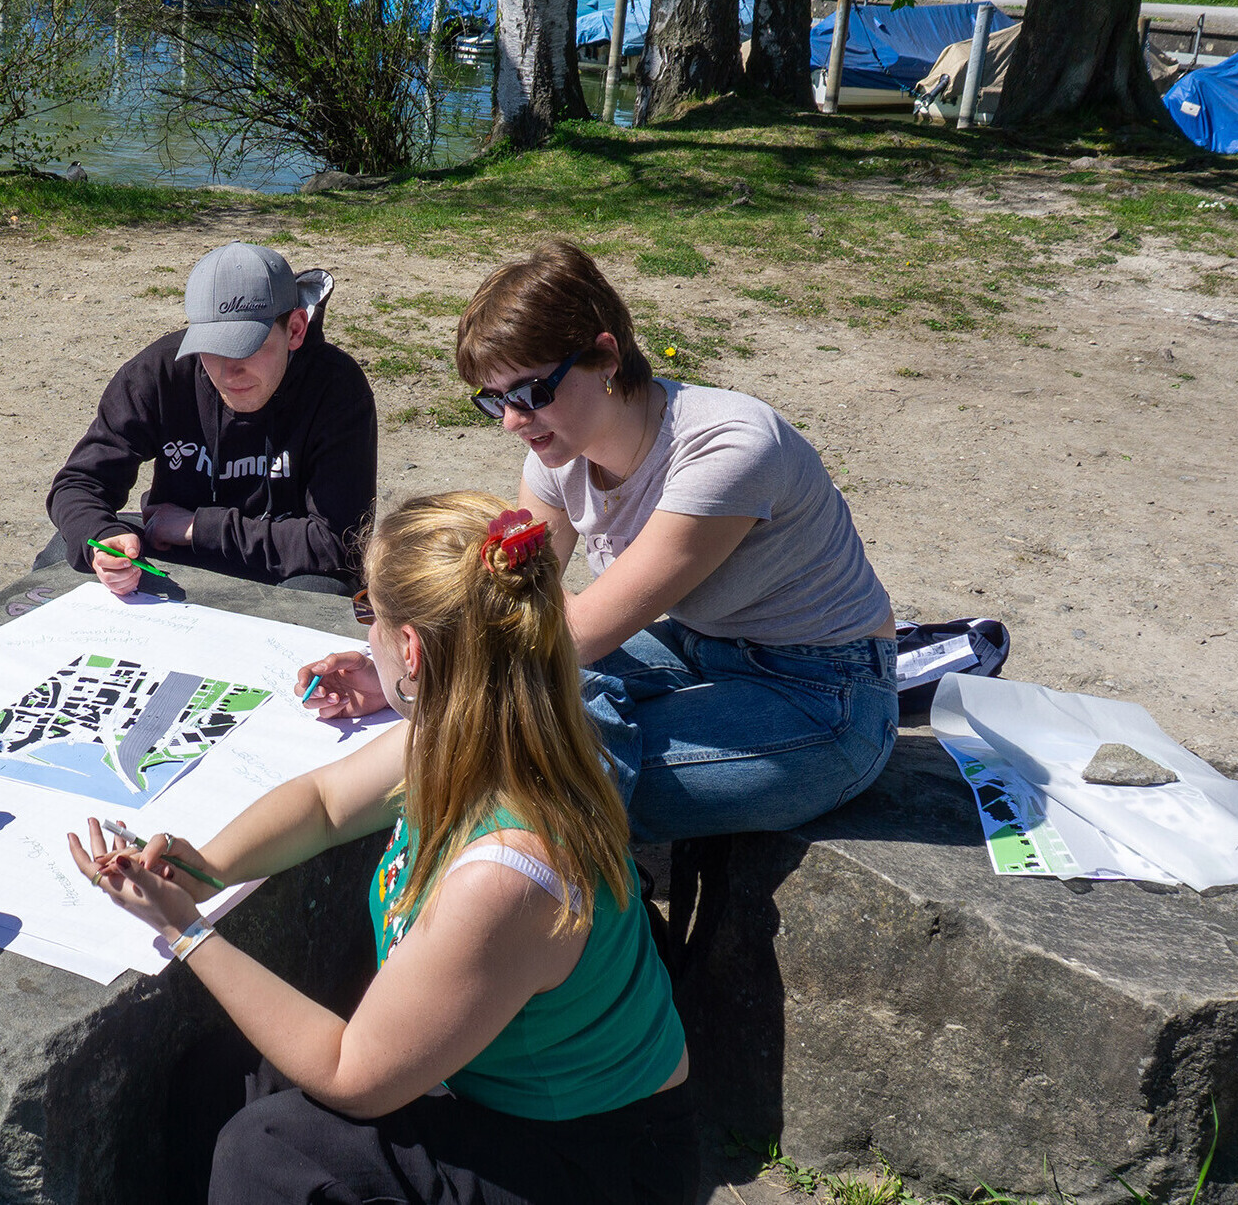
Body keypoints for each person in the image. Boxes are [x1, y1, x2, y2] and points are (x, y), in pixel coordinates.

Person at [69, 491, 693, 1205]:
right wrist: (208, 864)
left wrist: (185, 930)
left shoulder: (508, 869)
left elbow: (351, 1074)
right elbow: (326, 801)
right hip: (510, 1100)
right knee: (222, 1077)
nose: (360, 630)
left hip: (597, 1160)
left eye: (368, 610)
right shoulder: (470, 728)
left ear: (412, 650)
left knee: (267, 1153)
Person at [303, 241, 897, 845]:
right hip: (698, 646)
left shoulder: (728, 450)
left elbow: (577, 634)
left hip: (826, 693)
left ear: (606, 356)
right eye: (493, 399)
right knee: (519, 718)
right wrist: (412, 660)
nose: (512, 420)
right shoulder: (555, 455)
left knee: (528, 770)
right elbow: (508, 597)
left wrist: (421, 681)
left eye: (531, 391)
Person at [42, 240, 377, 597]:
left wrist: (197, 527)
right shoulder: (159, 372)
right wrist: (103, 540)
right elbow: (77, 484)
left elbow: (339, 545)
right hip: (173, 549)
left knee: (319, 592)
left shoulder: (337, 388)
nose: (231, 371)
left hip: (285, 566)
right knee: (64, 551)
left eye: (250, 347)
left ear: (295, 329)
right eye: (214, 349)